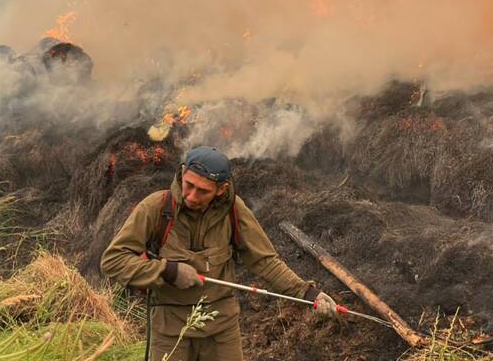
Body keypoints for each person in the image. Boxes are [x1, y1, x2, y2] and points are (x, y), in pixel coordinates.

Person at [101, 146, 337, 360]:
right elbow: (113, 261)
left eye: (203, 191)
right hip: (170, 330)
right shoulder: (156, 207)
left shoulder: (234, 211)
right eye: (188, 185)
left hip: (221, 330)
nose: (191, 196)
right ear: (182, 172)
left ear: (221, 189)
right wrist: (166, 271)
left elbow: (265, 261)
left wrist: (308, 292)